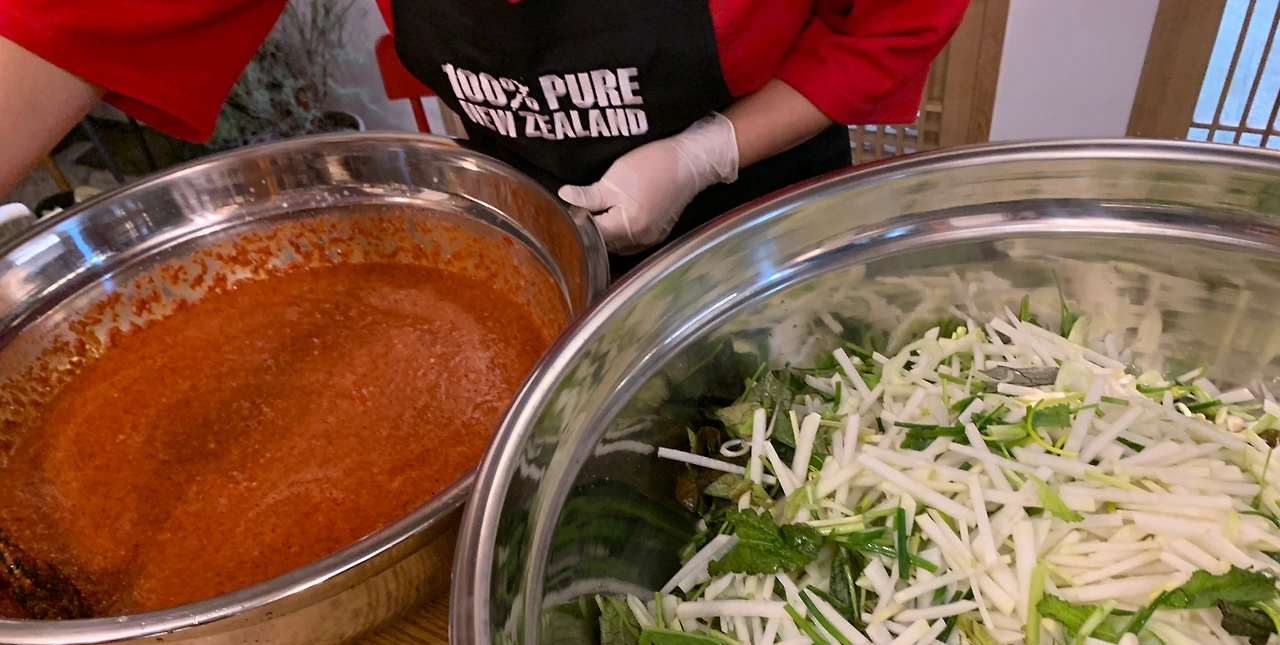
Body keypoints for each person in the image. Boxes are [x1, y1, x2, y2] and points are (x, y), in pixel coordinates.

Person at [0, 0, 968, 264]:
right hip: (524, 206)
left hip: (758, 203)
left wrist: (704, 152)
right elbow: (60, 24)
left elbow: (886, 26)